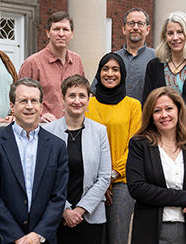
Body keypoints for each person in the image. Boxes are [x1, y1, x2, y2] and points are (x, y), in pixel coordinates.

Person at [0, 78, 69, 244]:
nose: (29, 106)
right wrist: (17, 238)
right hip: (3, 238)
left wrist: (37, 235)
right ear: (12, 106)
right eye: (23, 101)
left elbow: (58, 197)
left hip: (43, 239)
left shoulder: (57, 146)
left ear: (41, 106)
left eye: (34, 101)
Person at [127, 86, 186, 244]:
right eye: (157, 110)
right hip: (153, 231)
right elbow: (137, 188)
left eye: (169, 108)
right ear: (151, 116)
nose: (164, 115)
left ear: (179, 110)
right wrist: (185, 198)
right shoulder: (140, 145)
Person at [43, 75, 111, 243]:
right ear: (63, 99)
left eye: (82, 96)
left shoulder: (100, 131)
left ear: (89, 99)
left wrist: (80, 210)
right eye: (71, 95)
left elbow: (103, 177)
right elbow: (45, 176)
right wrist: (65, 210)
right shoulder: (48, 131)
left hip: (90, 215)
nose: (77, 101)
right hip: (57, 216)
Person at [85, 52, 141, 244]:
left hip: (121, 179)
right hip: (89, 181)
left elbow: (134, 146)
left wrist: (110, 176)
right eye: (105, 69)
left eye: (115, 69)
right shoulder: (87, 104)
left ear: (122, 74)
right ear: (98, 73)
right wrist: (99, 181)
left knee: (117, 234)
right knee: (94, 236)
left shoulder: (133, 106)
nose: (110, 74)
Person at [142, 11, 186, 133]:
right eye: (170, 33)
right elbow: (147, 104)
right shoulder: (154, 66)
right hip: (158, 135)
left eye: (180, 32)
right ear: (165, 37)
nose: (175, 38)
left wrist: (181, 133)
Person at [19, 11, 84, 123]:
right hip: (44, 130)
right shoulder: (32, 63)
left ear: (72, 34)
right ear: (48, 33)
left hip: (72, 129)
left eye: (65, 29)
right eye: (56, 29)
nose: (61, 34)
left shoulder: (77, 61)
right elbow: (19, 101)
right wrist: (38, 119)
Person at [91, 7, 156, 103]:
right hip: (114, 115)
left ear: (147, 29)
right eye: (131, 23)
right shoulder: (111, 60)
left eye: (140, 24)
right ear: (124, 29)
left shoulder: (157, 58)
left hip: (145, 117)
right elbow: (95, 92)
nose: (135, 27)